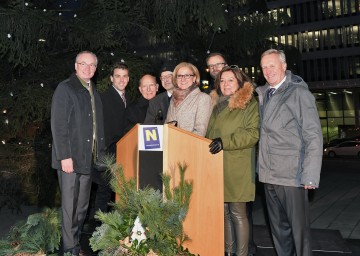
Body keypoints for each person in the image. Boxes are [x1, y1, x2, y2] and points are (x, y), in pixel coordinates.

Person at [256, 49, 323, 256]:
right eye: (264, 67)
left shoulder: (298, 93)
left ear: (284, 66)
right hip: (269, 175)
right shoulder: (262, 94)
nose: (268, 71)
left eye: (272, 65)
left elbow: (313, 135)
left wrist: (310, 175)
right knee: (279, 233)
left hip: (292, 176)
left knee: (299, 234)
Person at [51, 51, 105, 256]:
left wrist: (99, 154)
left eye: (92, 65)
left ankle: (73, 241)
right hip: (70, 160)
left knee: (82, 207)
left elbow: (97, 127)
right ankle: (69, 248)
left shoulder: (93, 91)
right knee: (69, 207)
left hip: (87, 160)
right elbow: (58, 125)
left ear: (96, 68)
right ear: (76, 66)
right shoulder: (66, 89)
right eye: (83, 64)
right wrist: (64, 156)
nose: (88, 68)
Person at [206, 65, 259, 256]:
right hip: (218, 166)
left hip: (237, 166)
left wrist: (224, 142)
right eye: (222, 80)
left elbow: (253, 134)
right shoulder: (217, 104)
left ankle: (241, 254)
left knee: (238, 213)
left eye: (230, 80)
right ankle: (228, 252)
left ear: (239, 82)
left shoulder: (248, 104)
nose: (225, 84)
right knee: (225, 213)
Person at [87, 62, 131, 228]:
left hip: (122, 151)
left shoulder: (128, 98)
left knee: (116, 192)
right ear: (112, 78)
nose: (122, 79)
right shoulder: (103, 98)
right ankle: (99, 228)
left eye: (125, 76)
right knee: (105, 192)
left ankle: (111, 227)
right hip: (107, 153)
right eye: (118, 76)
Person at [165, 62, 212, 136]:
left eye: (187, 75)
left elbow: (200, 132)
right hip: (171, 144)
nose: (182, 79)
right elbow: (167, 125)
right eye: (179, 76)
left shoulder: (203, 98)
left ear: (194, 78)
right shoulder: (174, 98)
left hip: (190, 145)